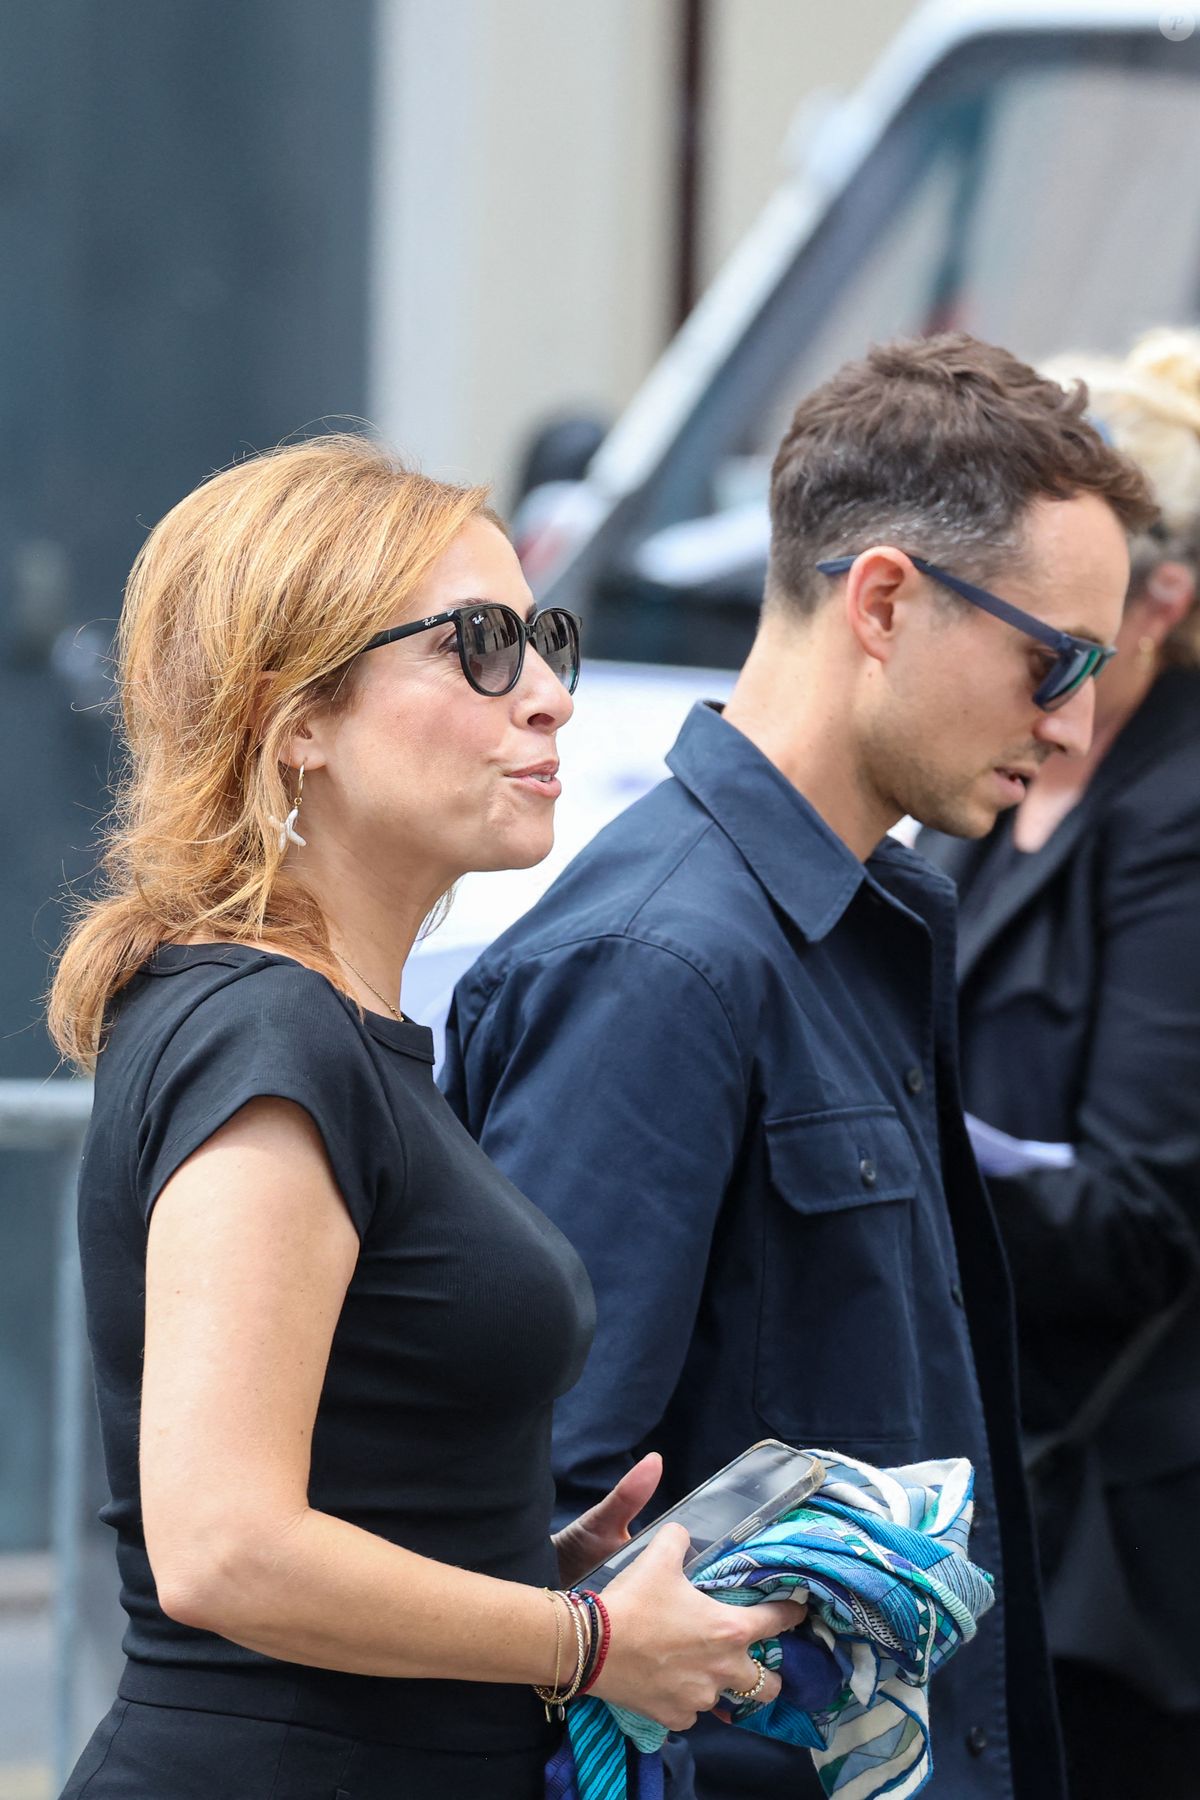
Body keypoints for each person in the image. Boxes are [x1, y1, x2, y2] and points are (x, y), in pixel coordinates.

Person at [441, 333, 1156, 1799]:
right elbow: (533, 1532)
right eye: (1053, 657)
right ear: (884, 600)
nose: (1075, 719)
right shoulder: (665, 966)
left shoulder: (849, 927)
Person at [47, 436, 804, 1800]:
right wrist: (582, 1640)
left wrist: (530, 1567)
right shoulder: (267, 1033)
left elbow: (331, 1488)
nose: (554, 699)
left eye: (545, 639)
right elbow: (224, 1546)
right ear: (296, 719)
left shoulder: (337, 1033)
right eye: (481, 645)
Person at [917, 328, 1200, 1799]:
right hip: (982, 1475)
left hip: (1122, 1545)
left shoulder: (1176, 812)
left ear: (1162, 597)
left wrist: (902, 1145)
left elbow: (1146, 1216)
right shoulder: (965, 766)